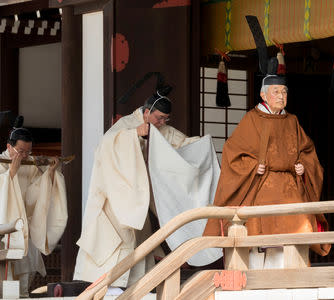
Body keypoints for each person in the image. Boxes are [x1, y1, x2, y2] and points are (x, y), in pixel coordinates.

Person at [203, 16, 330, 268]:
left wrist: (304, 167)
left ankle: (293, 276)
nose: (281, 96)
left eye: (284, 92)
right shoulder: (252, 120)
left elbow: (307, 151)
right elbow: (232, 153)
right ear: (263, 94)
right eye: (276, 92)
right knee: (258, 234)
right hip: (260, 186)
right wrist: (253, 167)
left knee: (297, 230)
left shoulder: (292, 120)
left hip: (290, 188)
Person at [73, 82, 221, 289]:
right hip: (117, 200)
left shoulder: (163, 130)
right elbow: (107, 146)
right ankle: (105, 287)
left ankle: (135, 287)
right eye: (159, 117)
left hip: (138, 203)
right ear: (147, 112)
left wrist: (202, 144)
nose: (162, 122)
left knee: (140, 246)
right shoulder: (125, 125)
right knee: (115, 243)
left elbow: (183, 145)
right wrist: (134, 135)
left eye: (165, 119)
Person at [0, 122, 67, 297]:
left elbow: (34, 196)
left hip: (24, 227)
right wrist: (10, 175)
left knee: (25, 273)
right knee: (7, 277)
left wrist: (49, 173)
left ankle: (22, 295)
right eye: (20, 151)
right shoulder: (1, 163)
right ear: (9, 146)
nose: (24, 155)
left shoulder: (29, 164)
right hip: (5, 228)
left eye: (28, 151)